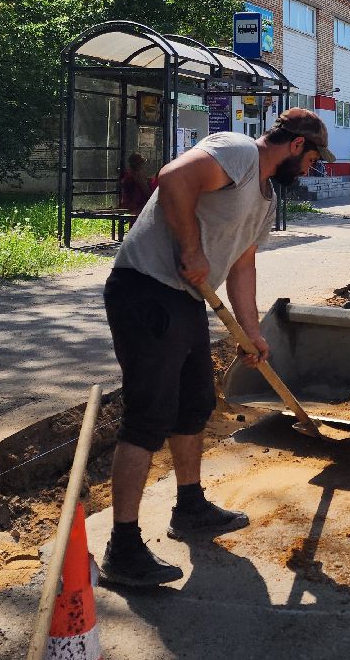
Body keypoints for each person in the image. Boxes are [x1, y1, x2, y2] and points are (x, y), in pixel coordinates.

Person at [100, 108, 334, 587]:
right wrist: (190, 247)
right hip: (144, 286)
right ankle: (122, 546)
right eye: (312, 159)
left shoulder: (266, 199)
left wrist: (251, 331)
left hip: (182, 296)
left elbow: (242, 266)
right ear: (295, 147)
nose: (312, 167)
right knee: (148, 414)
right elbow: (172, 179)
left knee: (196, 402)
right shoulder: (238, 151)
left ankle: (189, 507)